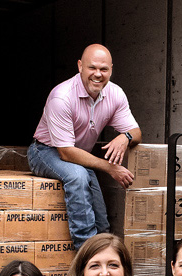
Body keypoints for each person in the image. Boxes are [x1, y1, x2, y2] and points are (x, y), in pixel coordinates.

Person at [28, 44, 141, 248]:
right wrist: (109, 167)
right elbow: (65, 152)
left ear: (111, 70)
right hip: (45, 151)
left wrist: (125, 137)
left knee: (102, 222)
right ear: (80, 66)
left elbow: (137, 132)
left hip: (81, 159)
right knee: (77, 176)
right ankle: (85, 250)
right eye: (92, 68)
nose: (98, 74)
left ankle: (104, 251)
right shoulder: (61, 97)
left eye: (104, 69)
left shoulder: (115, 94)